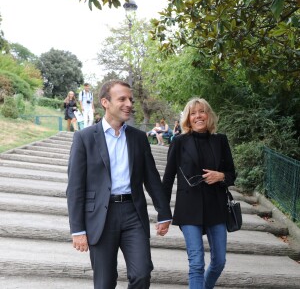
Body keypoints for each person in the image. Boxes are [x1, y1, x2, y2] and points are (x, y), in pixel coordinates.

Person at [66, 79, 172, 289]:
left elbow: (151, 178)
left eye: (130, 99)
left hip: (133, 213)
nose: (129, 104)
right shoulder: (84, 138)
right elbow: (75, 187)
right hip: (100, 217)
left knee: (142, 274)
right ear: (105, 102)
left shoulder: (138, 138)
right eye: (122, 99)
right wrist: (77, 230)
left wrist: (164, 212)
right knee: (105, 283)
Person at [162, 97, 236, 289]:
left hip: (216, 208)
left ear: (208, 115)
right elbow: (168, 179)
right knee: (196, 263)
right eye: (193, 113)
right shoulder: (179, 142)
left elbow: (232, 174)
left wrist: (220, 176)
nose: (198, 116)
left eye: (201, 111)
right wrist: (164, 213)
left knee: (219, 261)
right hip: (189, 209)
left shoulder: (220, 140)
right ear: (188, 118)